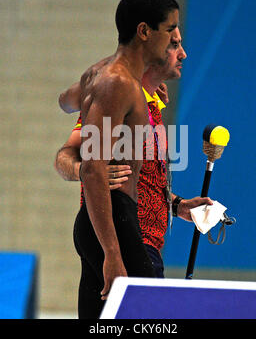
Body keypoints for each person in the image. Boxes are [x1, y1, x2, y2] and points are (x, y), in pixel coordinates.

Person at [56, 23, 213, 316]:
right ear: (152, 48)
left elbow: (146, 180)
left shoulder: (152, 103)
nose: (184, 54)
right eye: (174, 44)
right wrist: (84, 171)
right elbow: (65, 155)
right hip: (123, 237)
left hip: (146, 241)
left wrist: (177, 205)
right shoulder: (116, 96)